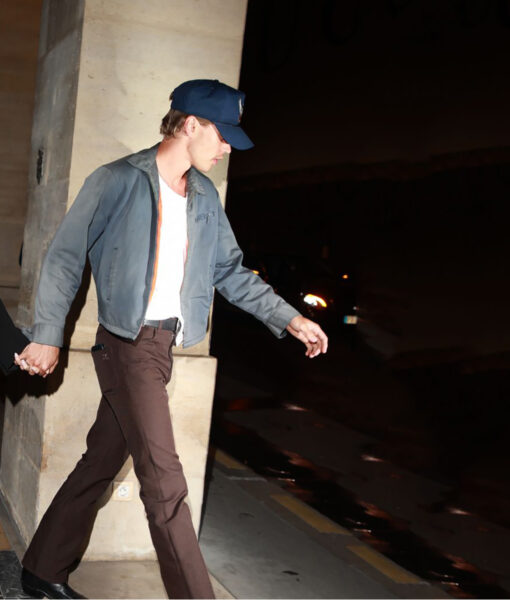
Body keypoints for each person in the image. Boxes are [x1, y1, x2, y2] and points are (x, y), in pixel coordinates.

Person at [15, 79, 328, 599]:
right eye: (222, 135)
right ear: (190, 125)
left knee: (100, 463)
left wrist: (289, 318)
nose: (227, 148)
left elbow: (229, 271)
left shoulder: (204, 195)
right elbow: (66, 257)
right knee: (166, 486)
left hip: (161, 349)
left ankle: (41, 568)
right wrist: (48, 334)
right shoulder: (117, 179)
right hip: (127, 345)